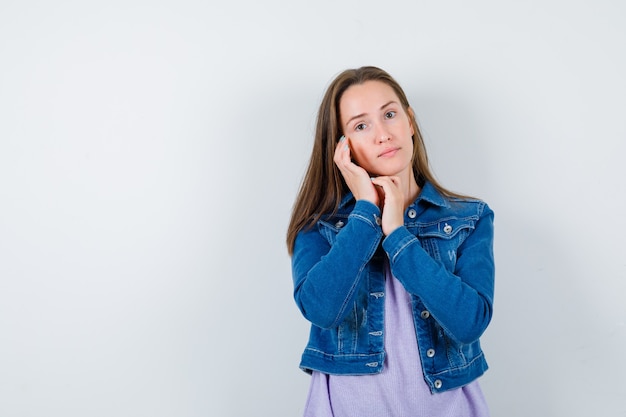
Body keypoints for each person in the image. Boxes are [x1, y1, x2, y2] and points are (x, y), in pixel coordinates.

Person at [286, 66, 495, 417]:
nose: (383, 134)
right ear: (341, 147)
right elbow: (321, 309)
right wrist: (366, 213)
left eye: (390, 114)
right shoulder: (319, 224)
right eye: (361, 125)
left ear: (409, 122)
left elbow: (469, 323)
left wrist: (398, 235)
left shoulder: (469, 218)